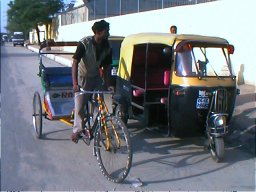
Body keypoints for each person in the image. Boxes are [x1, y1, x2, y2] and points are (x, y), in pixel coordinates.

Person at [71, 20, 112, 143]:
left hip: (96, 77)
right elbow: (75, 63)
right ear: (98, 32)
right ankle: (77, 130)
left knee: (99, 104)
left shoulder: (107, 46)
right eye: (106, 31)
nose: (108, 33)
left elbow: (107, 68)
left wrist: (109, 84)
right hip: (83, 77)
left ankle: (95, 128)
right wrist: (75, 84)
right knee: (79, 106)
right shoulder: (84, 43)